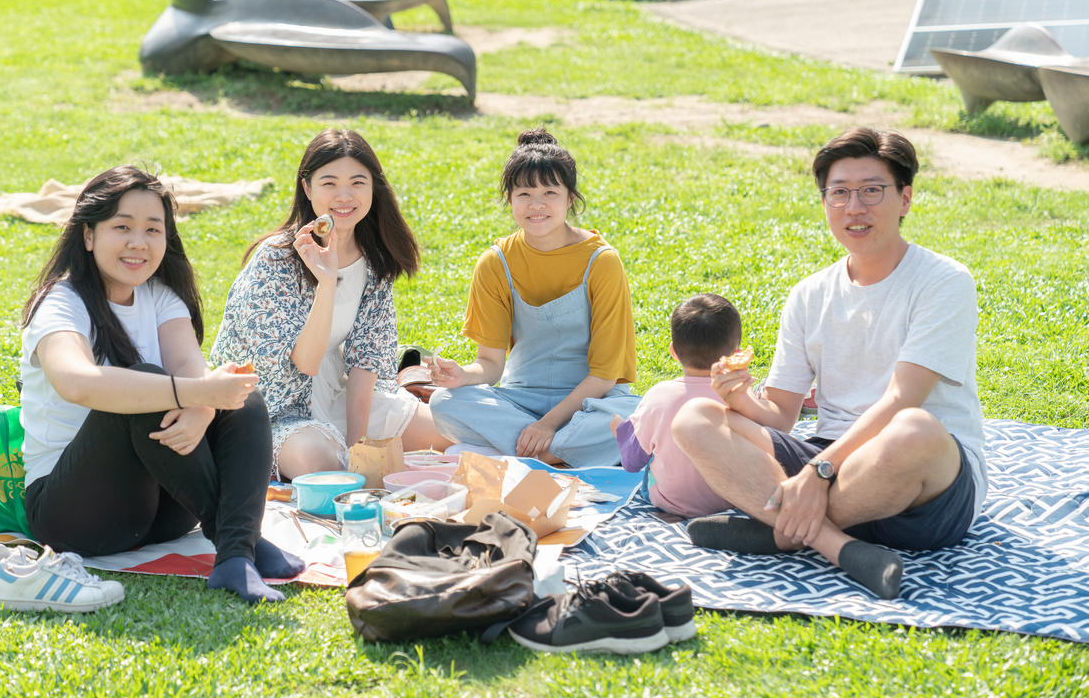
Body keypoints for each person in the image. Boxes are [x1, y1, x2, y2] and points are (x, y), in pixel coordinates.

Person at [671, 128, 984, 600]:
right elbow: (781, 415)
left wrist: (818, 474)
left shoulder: (944, 282)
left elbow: (902, 400)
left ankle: (777, 531)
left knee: (914, 428)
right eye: (839, 193)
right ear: (825, 203)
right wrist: (739, 399)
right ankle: (831, 543)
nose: (854, 207)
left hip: (923, 487)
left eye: (871, 190)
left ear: (905, 199)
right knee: (695, 418)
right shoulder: (809, 294)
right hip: (829, 457)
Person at [20, 166, 301, 605]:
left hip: (161, 513)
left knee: (240, 397)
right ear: (89, 235)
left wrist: (207, 404)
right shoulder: (62, 304)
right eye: (122, 227)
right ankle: (236, 537)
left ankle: (235, 553)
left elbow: (196, 376)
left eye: (153, 229)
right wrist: (197, 395)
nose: (139, 242)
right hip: (74, 513)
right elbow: (77, 382)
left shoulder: (161, 297)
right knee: (150, 387)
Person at [211, 129, 447, 482]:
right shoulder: (275, 260)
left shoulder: (373, 259)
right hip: (271, 406)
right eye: (329, 183)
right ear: (307, 188)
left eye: (357, 182)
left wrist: (358, 448)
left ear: (373, 187)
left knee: (444, 434)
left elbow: (366, 361)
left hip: (334, 392)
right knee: (318, 462)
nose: (344, 196)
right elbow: (304, 362)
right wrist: (325, 280)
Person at [428, 128, 640, 467]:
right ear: (509, 198)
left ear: (570, 198)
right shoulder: (495, 262)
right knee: (443, 402)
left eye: (550, 192)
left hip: (592, 401)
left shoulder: (602, 261)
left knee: (634, 416)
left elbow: (604, 376)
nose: (536, 205)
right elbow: (491, 365)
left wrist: (547, 425)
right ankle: (561, 453)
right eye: (524, 193)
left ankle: (536, 450)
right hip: (521, 398)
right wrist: (463, 376)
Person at [613, 294, 745, 517]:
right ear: (736, 354)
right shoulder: (742, 397)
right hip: (733, 503)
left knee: (641, 448)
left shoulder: (659, 395)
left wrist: (619, 431)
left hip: (670, 502)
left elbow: (632, 462)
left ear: (673, 351)